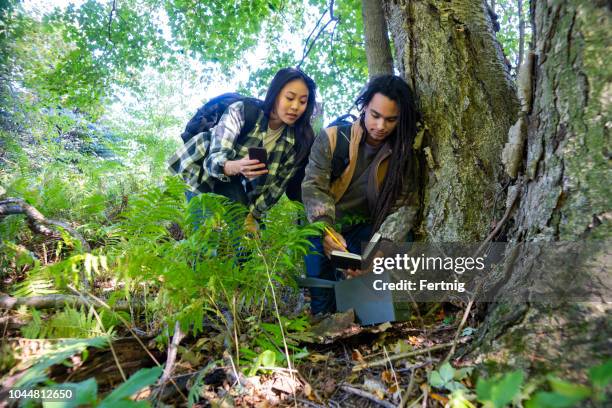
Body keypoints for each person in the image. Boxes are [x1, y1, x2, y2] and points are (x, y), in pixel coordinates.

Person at [301, 75, 420, 315]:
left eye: (390, 119)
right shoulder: (334, 138)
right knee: (323, 311)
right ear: (364, 107)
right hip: (325, 229)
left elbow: (405, 207)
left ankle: (368, 311)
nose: (381, 126)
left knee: (373, 316)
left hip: (367, 232)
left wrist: (379, 251)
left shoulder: (404, 155)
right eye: (375, 115)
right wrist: (326, 231)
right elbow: (313, 187)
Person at [173, 67, 317, 230]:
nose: (295, 107)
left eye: (303, 101)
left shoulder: (298, 141)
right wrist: (236, 165)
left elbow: (275, 188)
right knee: (206, 238)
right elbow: (214, 159)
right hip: (202, 174)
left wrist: (253, 216)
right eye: (290, 98)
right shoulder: (242, 110)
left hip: (237, 186)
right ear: (275, 94)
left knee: (244, 247)